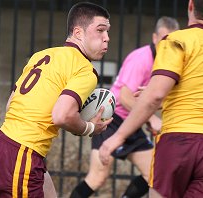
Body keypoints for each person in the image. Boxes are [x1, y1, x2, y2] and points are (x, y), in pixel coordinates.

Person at [0, 2, 113, 198]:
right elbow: (62, 116)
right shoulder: (85, 70)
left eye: (107, 32)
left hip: (3, 143)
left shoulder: (42, 54)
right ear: (78, 33)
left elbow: (10, 103)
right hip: (22, 152)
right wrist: (89, 128)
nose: (107, 38)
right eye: (100, 30)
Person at [99, 0, 203, 197]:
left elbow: (155, 95)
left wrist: (118, 137)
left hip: (178, 140)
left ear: (190, 6)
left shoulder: (177, 40)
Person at [70, 16, 179, 198]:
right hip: (112, 120)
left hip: (132, 122)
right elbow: (124, 97)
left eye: (172, 41)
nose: (167, 45)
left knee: (154, 172)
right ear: (154, 38)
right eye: (163, 39)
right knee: (97, 178)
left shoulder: (166, 61)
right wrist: (151, 118)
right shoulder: (141, 58)